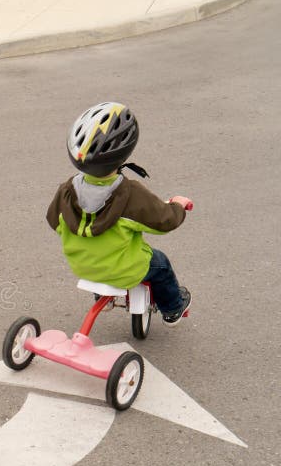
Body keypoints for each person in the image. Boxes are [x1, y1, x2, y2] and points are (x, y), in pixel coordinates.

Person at [46, 102, 192, 326]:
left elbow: (54, 222)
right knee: (160, 264)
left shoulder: (66, 191)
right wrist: (179, 206)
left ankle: (102, 295)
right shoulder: (130, 194)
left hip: (83, 267)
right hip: (125, 270)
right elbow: (164, 220)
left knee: (100, 252)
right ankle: (173, 308)